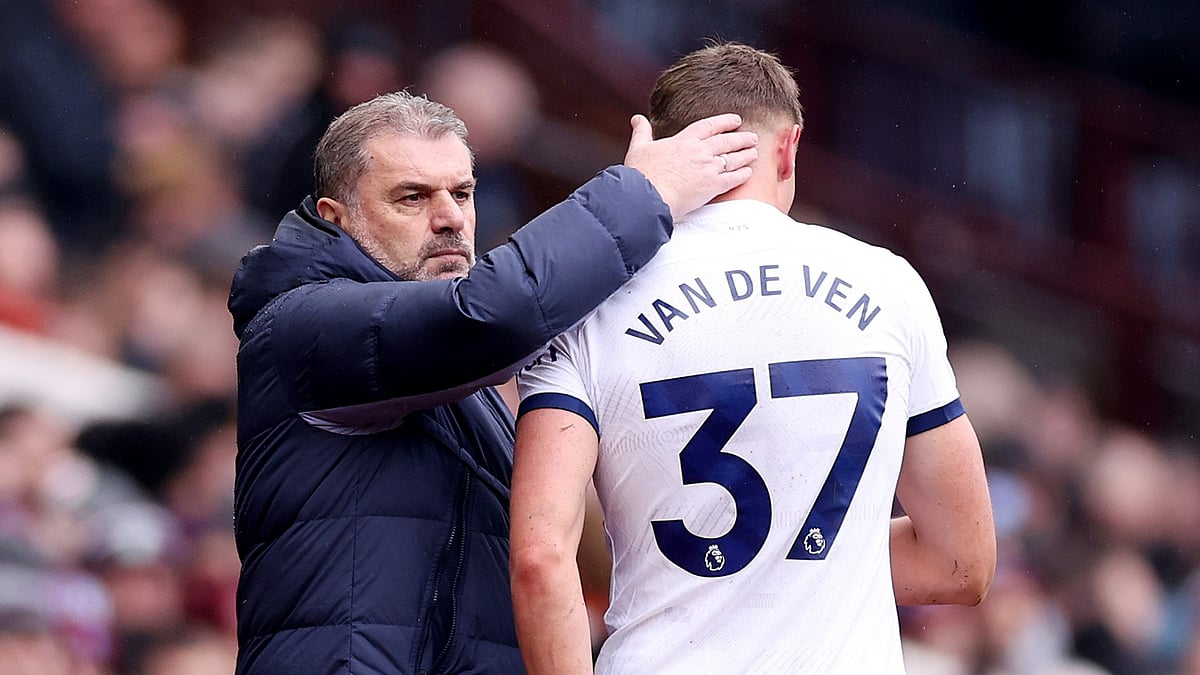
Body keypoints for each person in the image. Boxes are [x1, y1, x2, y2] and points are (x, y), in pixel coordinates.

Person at [226, 88, 757, 674]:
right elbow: (494, 315)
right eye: (412, 197)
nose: (451, 216)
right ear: (337, 219)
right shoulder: (302, 324)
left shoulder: (453, 372)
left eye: (462, 193)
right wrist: (643, 193)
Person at [510, 43, 997, 674]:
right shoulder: (888, 283)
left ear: (653, 148)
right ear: (789, 148)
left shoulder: (586, 298)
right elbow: (962, 561)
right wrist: (808, 563)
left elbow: (540, 559)